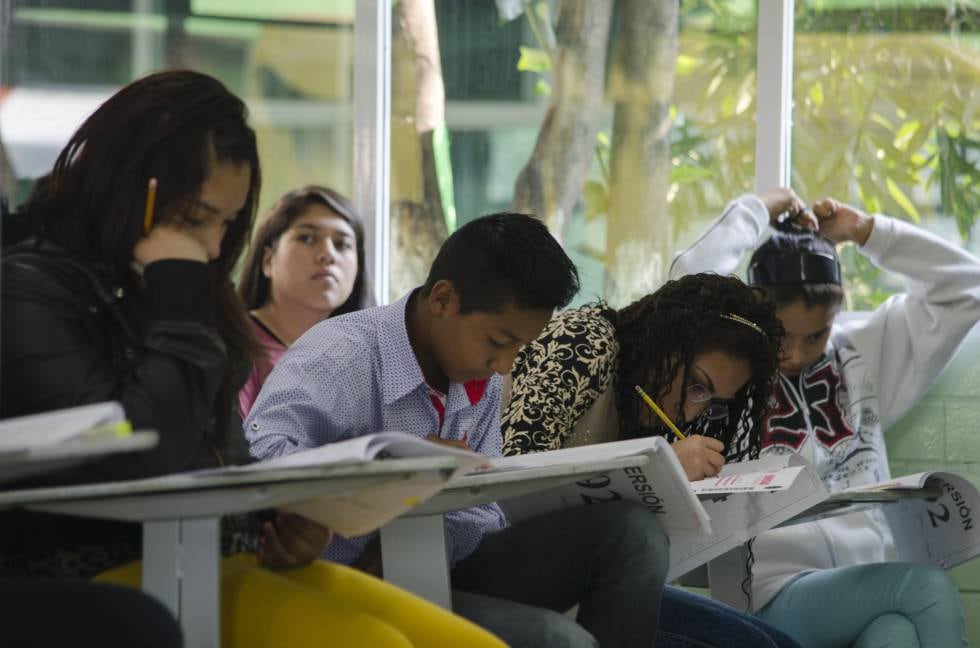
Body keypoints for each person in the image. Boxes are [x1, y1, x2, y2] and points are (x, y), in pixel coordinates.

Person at [0, 69, 504, 648]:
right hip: (105, 568)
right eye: (196, 219)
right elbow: (142, 455)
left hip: (220, 558)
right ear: (135, 188)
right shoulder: (30, 289)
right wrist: (183, 301)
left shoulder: (168, 290)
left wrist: (276, 521)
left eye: (226, 223)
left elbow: (222, 451)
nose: (214, 246)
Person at [246, 212, 671, 648]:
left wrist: (414, 529)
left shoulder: (476, 375)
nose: (504, 366)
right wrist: (385, 478)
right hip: (336, 582)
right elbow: (258, 454)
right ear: (444, 300)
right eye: (498, 341)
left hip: (436, 567)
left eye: (519, 349)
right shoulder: (344, 356)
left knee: (634, 535)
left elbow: (483, 515)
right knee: (558, 641)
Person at [668, 188, 973, 646]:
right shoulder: (726, 373)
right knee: (927, 587)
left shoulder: (864, 354)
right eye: (782, 334)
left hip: (865, 583)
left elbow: (968, 288)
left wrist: (868, 231)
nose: (796, 352)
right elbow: (679, 289)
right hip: (770, 592)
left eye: (817, 335)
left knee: (896, 634)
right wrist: (755, 209)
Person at [502, 273, 801, 648]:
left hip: (597, 583)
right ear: (662, 341)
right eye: (696, 384)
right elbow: (510, 473)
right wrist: (652, 468)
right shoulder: (584, 340)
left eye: (712, 402)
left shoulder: (655, 409)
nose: (693, 414)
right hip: (509, 570)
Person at [237, 185, 372, 418]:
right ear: (268, 261)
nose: (328, 254)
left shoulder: (366, 361)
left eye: (342, 244)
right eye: (307, 238)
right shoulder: (235, 344)